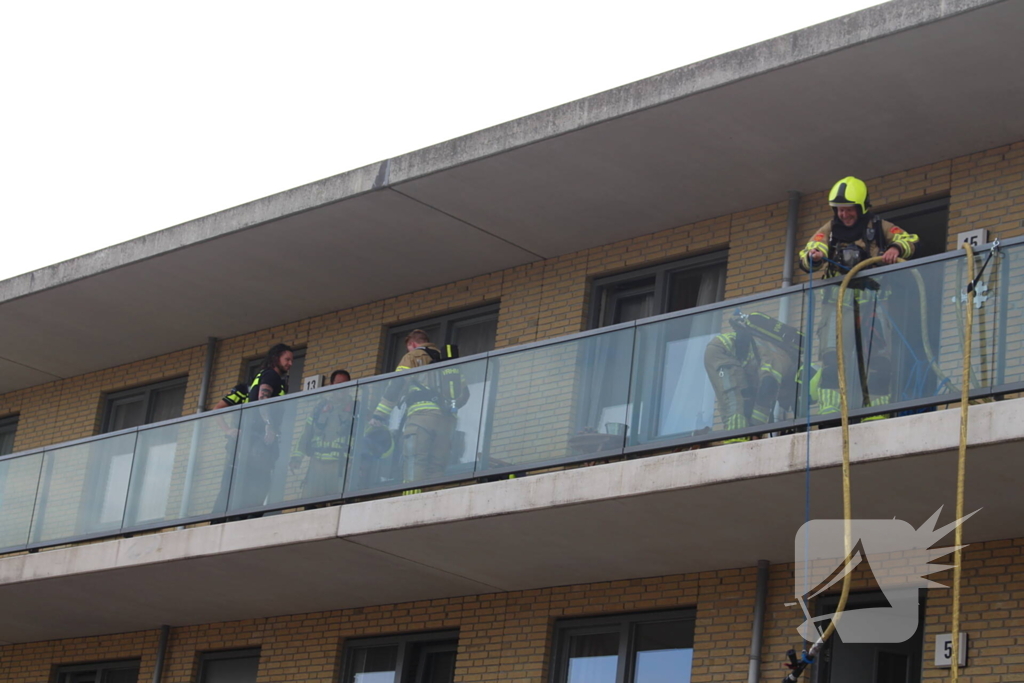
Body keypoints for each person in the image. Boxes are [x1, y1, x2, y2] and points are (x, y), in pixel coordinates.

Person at [798, 177, 919, 417]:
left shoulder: (879, 227)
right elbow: (811, 249)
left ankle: (877, 413)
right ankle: (830, 411)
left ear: (862, 207)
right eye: (840, 209)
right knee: (832, 359)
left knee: (879, 363)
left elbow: (909, 239)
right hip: (837, 305)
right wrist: (813, 256)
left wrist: (895, 249)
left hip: (874, 305)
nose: (844, 214)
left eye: (849, 209)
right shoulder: (830, 230)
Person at [370, 329, 468, 486]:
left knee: (415, 461)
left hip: (421, 418)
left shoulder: (413, 356)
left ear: (412, 344)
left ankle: (411, 497)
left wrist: (380, 415)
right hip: (447, 421)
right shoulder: (448, 360)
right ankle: (433, 496)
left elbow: (397, 384)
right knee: (437, 465)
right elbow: (464, 394)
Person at [704, 311, 802, 443]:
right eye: (785, 398)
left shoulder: (780, 357)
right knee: (734, 402)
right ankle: (736, 445)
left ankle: (740, 438)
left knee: (744, 401)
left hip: (733, 357)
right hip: (723, 352)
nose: (781, 399)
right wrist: (756, 428)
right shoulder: (784, 362)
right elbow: (769, 386)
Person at [233, 343, 294, 509]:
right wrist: (269, 425)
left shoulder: (263, 375)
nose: (290, 363)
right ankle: (250, 513)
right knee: (260, 479)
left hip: (253, 437)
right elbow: (263, 397)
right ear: (276, 359)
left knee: (252, 479)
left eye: (292, 360)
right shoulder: (271, 375)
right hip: (260, 438)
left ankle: (245, 512)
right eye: (287, 359)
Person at [290, 369, 353, 499]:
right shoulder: (319, 408)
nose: (341, 387)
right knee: (311, 505)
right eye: (338, 383)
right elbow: (305, 434)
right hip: (316, 465)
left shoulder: (357, 408)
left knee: (339, 503)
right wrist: (297, 458)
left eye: (345, 384)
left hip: (341, 466)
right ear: (331, 385)